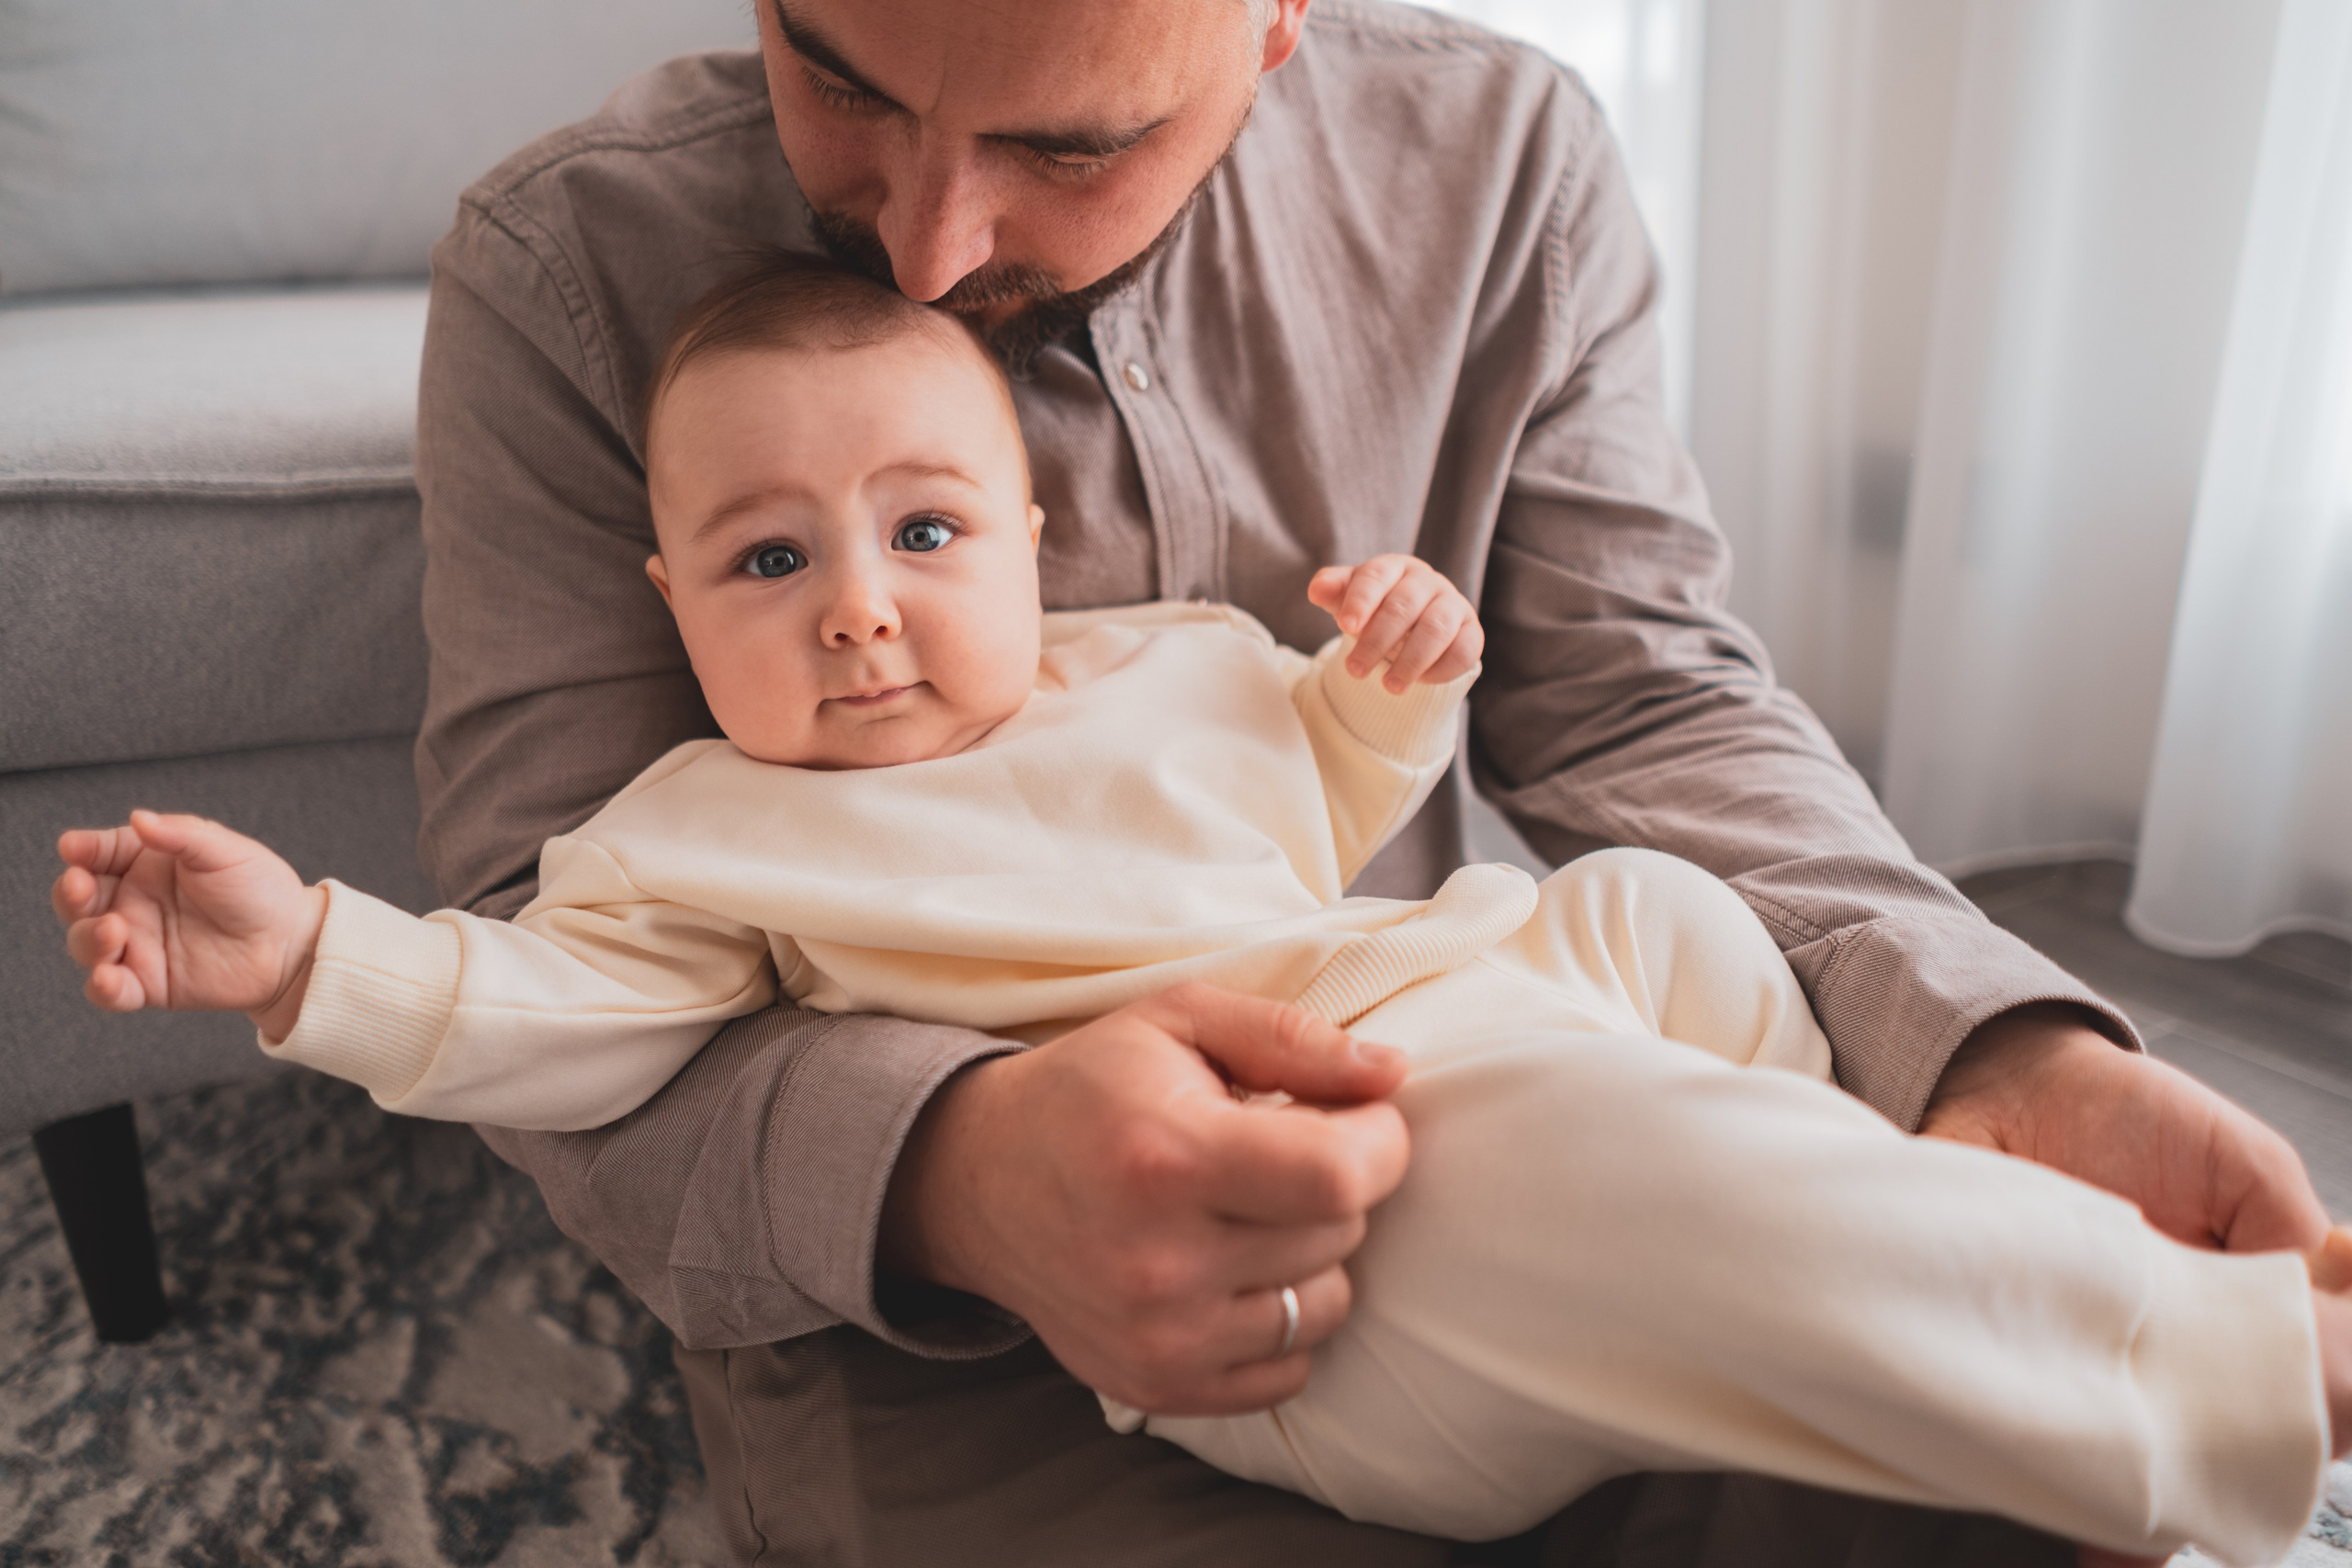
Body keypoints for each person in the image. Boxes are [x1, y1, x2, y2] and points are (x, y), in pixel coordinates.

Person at [370, 0, 2333, 1560]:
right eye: (836, 73)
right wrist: (970, 1175)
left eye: (1069, 142)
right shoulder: (566, 267)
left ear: (1279, 15)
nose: (925, 239)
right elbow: (542, 987)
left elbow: (1645, 708)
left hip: (1489, 1053)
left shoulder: (1500, 165)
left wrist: (1993, 1049)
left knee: (1957, 1460)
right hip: (948, 1329)